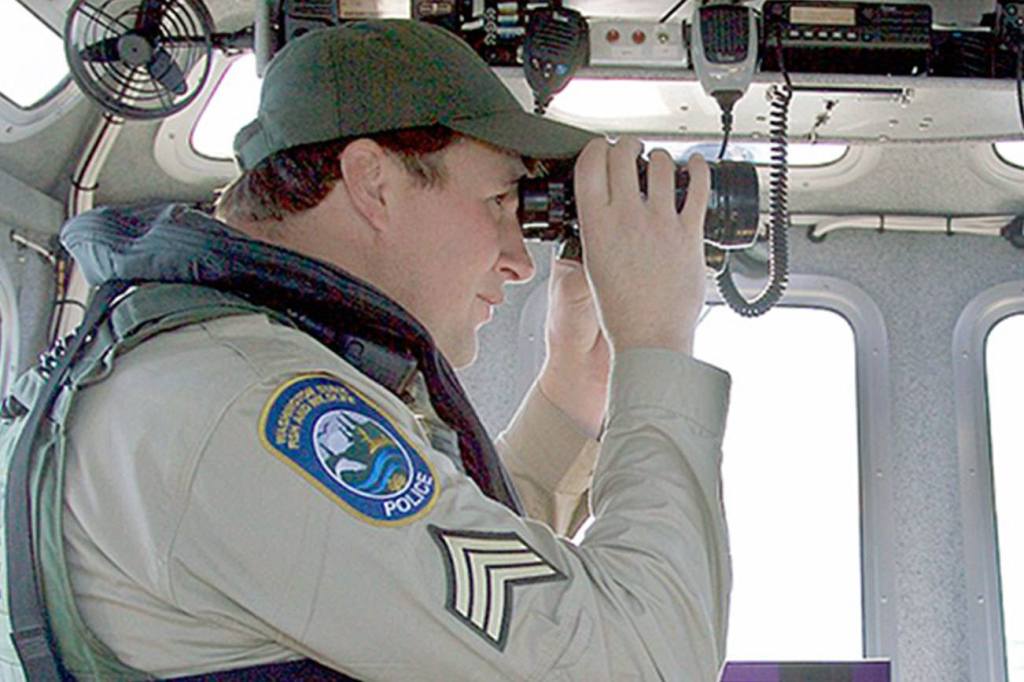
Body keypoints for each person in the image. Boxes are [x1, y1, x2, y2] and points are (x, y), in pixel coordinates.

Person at [41, 18, 730, 681]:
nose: (521, 261)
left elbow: (428, 574)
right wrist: (655, 345)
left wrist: (575, 387)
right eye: (498, 200)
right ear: (374, 184)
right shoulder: (249, 408)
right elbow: (646, 661)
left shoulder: (211, 375)